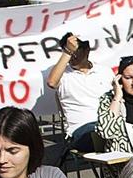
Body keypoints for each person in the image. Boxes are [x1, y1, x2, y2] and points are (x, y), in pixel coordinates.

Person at [46, 33, 114, 161]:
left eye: (75, 51)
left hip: (106, 125)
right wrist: (68, 51)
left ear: (87, 50)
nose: (73, 56)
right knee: (102, 133)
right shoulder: (63, 75)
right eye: (69, 52)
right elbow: (51, 82)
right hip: (81, 130)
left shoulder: (104, 71)